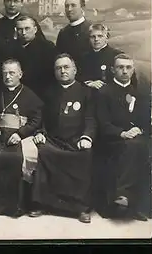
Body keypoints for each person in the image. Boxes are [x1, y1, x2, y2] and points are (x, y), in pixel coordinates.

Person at [29, 53, 96, 223]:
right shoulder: (48, 92)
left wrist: (87, 137)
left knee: (85, 155)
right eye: (58, 68)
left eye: (66, 67)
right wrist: (39, 133)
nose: (62, 71)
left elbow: (91, 118)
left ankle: (81, 208)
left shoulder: (86, 92)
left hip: (76, 140)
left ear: (75, 70)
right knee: (43, 151)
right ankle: (42, 204)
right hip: (53, 139)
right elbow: (40, 118)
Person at [0, 59, 43, 217]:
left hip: (19, 137)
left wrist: (21, 133)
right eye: (5, 73)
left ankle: (14, 207)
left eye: (12, 73)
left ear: (20, 74)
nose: (8, 76)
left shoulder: (29, 95)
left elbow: (36, 120)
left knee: (15, 158)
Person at [95, 53, 151, 221]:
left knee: (143, 147)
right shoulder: (104, 92)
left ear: (133, 70)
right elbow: (103, 123)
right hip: (111, 138)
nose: (124, 71)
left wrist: (139, 130)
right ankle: (122, 198)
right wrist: (123, 133)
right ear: (113, 70)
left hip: (135, 137)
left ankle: (137, 204)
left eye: (128, 68)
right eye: (120, 67)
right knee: (132, 147)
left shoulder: (140, 92)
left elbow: (145, 121)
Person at [1, 16, 57, 99]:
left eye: (27, 29)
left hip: (40, 94)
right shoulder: (10, 48)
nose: (23, 32)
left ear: (35, 29)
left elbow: (51, 76)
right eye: (20, 29)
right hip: (15, 94)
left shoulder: (47, 47)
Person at [77, 23, 137, 89]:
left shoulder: (118, 55)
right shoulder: (83, 57)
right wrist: (89, 83)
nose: (96, 39)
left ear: (107, 37)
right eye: (93, 36)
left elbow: (131, 81)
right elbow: (78, 79)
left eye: (100, 36)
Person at [55, 0, 92, 65]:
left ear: (82, 8)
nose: (69, 9)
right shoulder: (63, 33)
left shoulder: (91, 30)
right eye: (66, 6)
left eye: (73, 5)